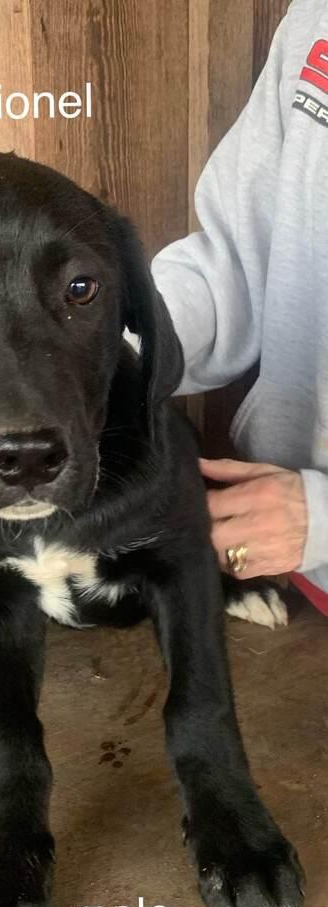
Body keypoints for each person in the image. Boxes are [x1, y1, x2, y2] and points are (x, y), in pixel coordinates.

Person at [150, 0, 328, 615]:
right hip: (287, 561)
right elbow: (241, 256)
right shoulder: (315, 20)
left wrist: (323, 522)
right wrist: (114, 350)